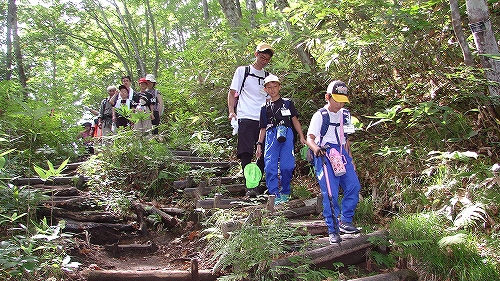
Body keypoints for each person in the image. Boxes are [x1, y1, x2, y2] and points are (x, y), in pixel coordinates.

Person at [305, 80, 361, 244]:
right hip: (325, 154)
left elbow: (346, 140)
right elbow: (310, 138)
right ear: (327, 97)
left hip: (342, 154)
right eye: (336, 99)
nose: (340, 103)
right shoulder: (320, 115)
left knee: (353, 185)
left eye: (343, 100)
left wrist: (351, 160)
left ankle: (345, 220)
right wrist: (316, 149)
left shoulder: (345, 115)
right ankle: (333, 228)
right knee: (331, 193)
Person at [227, 43, 274, 197]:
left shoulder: (268, 77)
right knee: (246, 151)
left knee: (263, 151)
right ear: (256, 54)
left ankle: (257, 183)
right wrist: (231, 111)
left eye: (267, 59)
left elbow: (269, 98)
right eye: (262, 57)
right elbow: (232, 92)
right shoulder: (243, 71)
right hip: (246, 116)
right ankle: (249, 185)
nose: (264, 61)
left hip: (262, 119)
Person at [255, 75, 306, 205]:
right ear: (265, 89)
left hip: (286, 133)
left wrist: (301, 136)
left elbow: (294, 120)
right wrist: (259, 145)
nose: (272, 90)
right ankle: (274, 194)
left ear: (280, 87)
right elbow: (262, 128)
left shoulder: (287, 103)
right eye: (269, 87)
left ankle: (285, 191)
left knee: (287, 166)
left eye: (275, 86)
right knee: (270, 166)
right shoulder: (264, 107)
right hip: (271, 135)